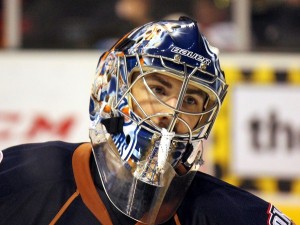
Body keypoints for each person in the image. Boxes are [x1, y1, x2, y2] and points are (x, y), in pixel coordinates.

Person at [0, 17, 295, 225]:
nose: (172, 112)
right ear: (111, 87)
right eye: (158, 88)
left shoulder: (234, 215)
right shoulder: (18, 182)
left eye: (191, 100)